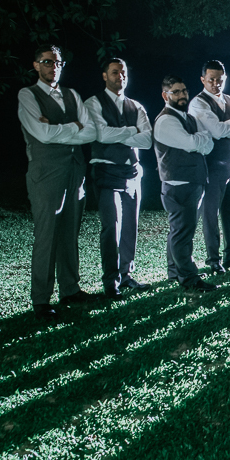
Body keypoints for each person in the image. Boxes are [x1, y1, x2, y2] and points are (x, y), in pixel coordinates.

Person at [17, 44, 98, 320]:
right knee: (47, 234)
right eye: (48, 62)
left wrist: (59, 129)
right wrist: (73, 126)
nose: (54, 67)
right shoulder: (27, 95)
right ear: (36, 65)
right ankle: (41, 299)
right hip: (46, 173)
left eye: (58, 62)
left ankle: (70, 290)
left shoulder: (72, 94)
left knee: (69, 233)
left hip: (75, 171)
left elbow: (90, 133)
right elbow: (41, 133)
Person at [85, 58, 153, 300]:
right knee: (111, 228)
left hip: (133, 173)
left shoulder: (136, 106)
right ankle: (110, 280)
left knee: (130, 228)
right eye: (114, 72)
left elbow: (147, 141)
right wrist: (133, 131)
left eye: (123, 72)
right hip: (106, 170)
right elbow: (101, 134)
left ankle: (126, 274)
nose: (120, 76)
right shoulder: (93, 103)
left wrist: (123, 135)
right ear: (105, 76)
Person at [153, 76, 218, 292]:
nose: (182, 95)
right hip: (178, 184)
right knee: (182, 233)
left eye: (184, 91)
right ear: (165, 95)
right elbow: (192, 143)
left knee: (180, 231)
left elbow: (208, 145)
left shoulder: (187, 118)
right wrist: (199, 139)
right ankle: (189, 278)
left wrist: (199, 140)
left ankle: (175, 272)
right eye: (176, 92)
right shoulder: (166, 120)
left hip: (191, 182)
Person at [188, 60, 230, 274]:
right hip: (211, 165)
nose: (215, 83)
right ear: (203, 79)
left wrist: (229, 127)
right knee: (210, 214)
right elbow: (216, 131)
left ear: (225, 79)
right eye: (211, 79)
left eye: (219, 79)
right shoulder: (198, 103)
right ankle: (213, 259)